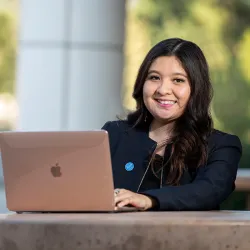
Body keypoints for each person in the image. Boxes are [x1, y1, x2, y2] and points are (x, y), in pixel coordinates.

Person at [102, 38, 242, 211]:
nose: (162, 89)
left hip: (184, 238)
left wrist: (149, 200)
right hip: (110, 237)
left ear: (196, 88)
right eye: (154, 77)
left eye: (178, 80)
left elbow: (211, 190)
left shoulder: (221, 146)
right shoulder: (113, 134)